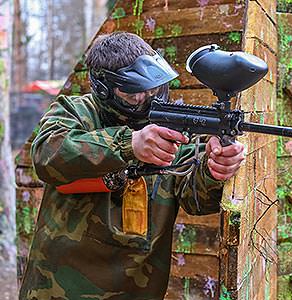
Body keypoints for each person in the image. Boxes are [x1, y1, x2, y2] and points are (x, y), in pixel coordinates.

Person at [19, 32, 245, 299]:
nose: (147, 98)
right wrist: (129, 144)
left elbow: (195, 199)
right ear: (104, 88)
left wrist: (214, 170)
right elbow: (47, 155)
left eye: (153, 87)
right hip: (59, 289)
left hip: (138, 290)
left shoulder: (169, 129)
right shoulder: (78, 112)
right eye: (133, 92)